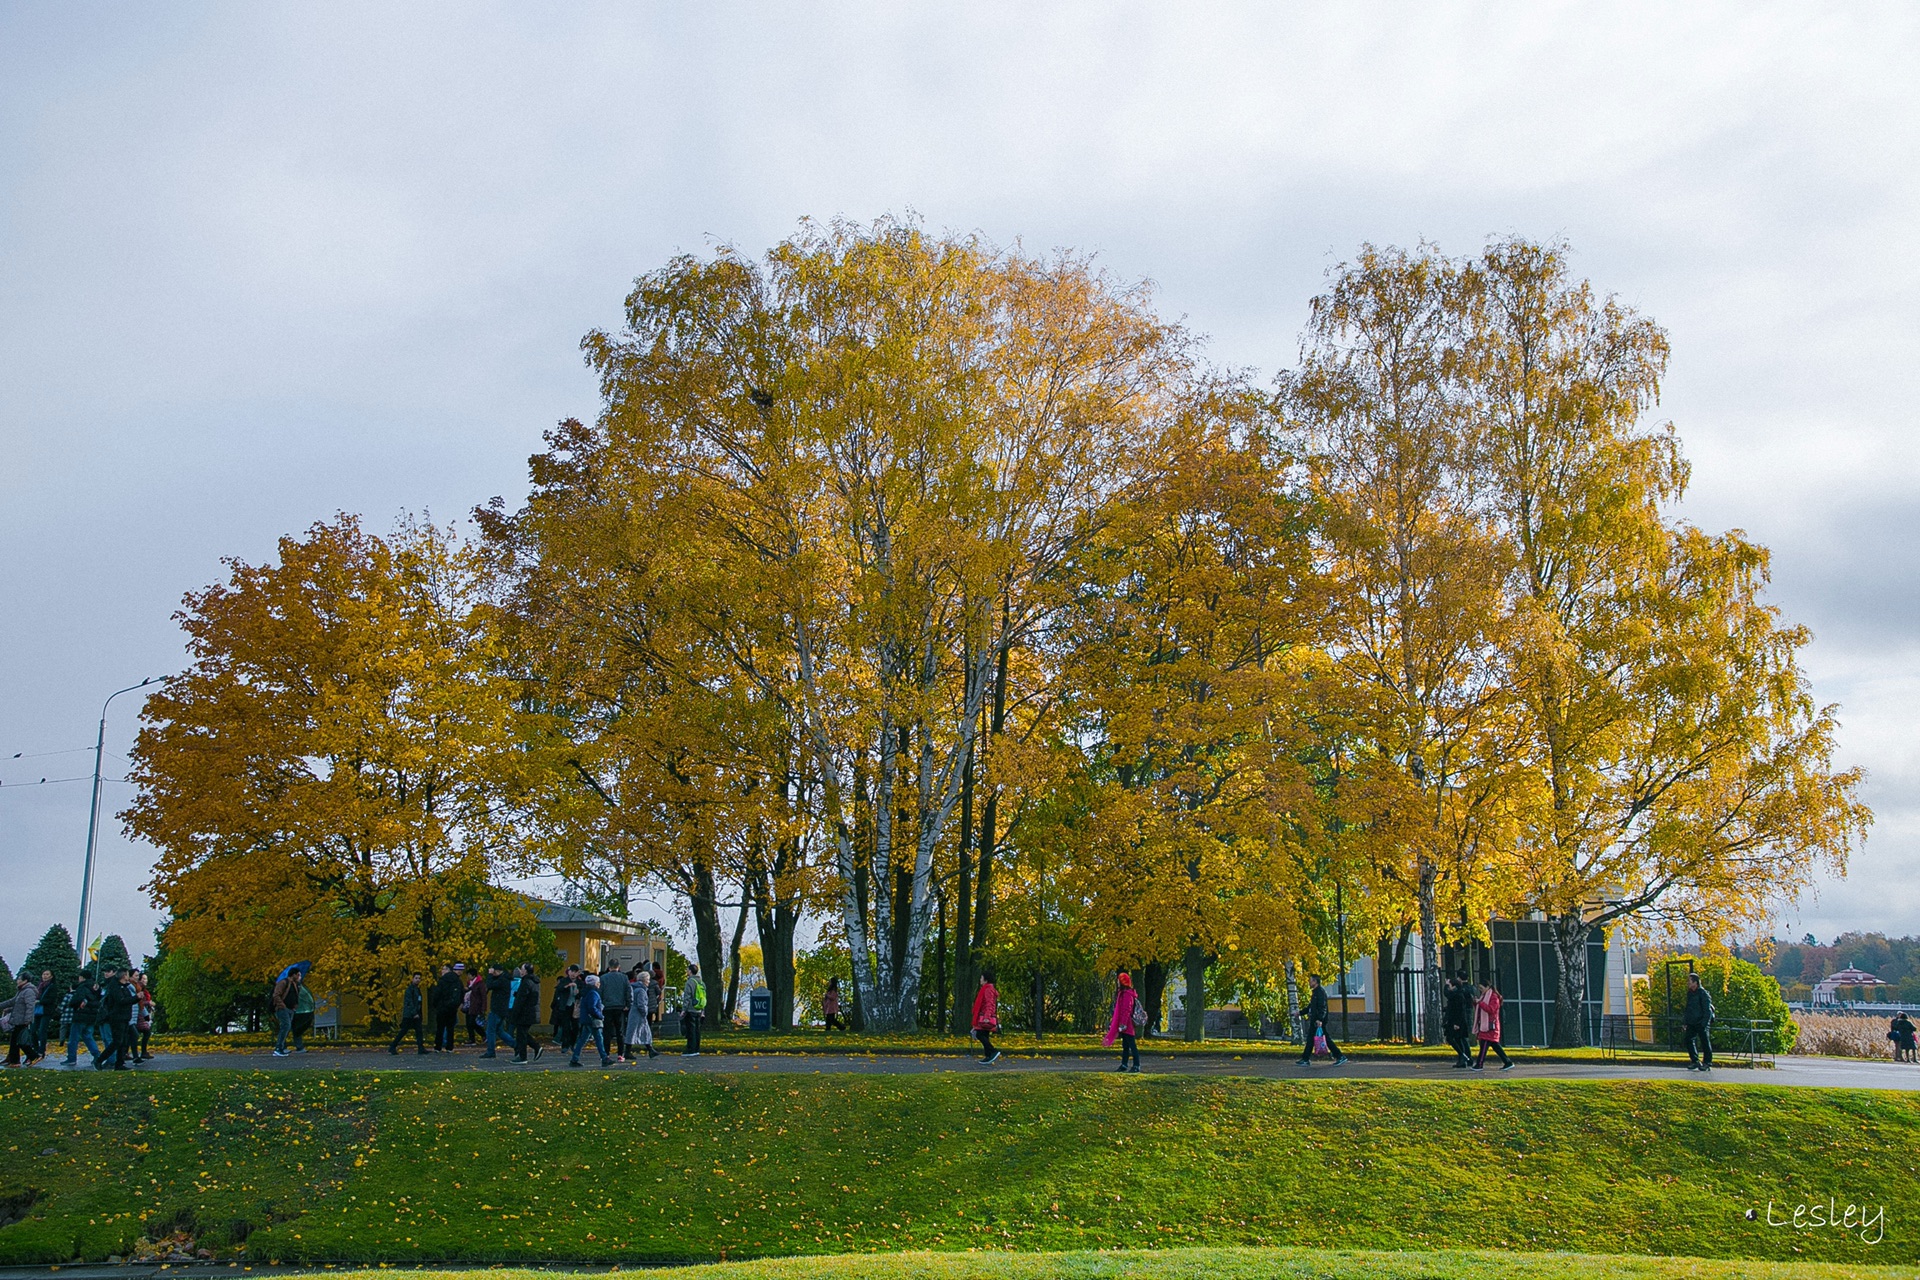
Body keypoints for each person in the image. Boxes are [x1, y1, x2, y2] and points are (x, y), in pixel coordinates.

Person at [1295, 973, 1347, 1066]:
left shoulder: (1320, 992)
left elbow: (1323, 1007)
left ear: (1315, 981)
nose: (1309, 983)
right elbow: (1311, 1007)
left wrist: (1320, 1019)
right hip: (1315, 1020)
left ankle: (1340, 1056)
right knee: (1311, 1039)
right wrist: (1300, 1013)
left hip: (1318, 1021)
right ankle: (1305, 1059)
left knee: (1325, 1039)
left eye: (1310, 981)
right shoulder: (1315, 992)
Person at [96, 965, 135, 1070]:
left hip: (124, 1017)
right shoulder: (115, 987)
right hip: (117, 1017)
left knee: (123, 1042)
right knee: (117, 1041)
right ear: (123, 976)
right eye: (127, 974)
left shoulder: (124, 987)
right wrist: (136, 998)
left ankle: (119, 1063)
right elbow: (121, 1001)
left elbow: (127, 1000)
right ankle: (100, 1059)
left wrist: (136, 998)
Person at [62, 974, 103, 1067]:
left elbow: (75, 1000)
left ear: (82, 978)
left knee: (74, 1038)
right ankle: (96, 1055)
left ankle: (71, 1058)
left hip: (80, 1015)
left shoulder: (82, 987)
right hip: (92, 1016)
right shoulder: (97, 988)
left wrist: (73, 1004)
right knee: (88, 1036)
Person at [570, 973, 611, 1068]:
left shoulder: (585, 992)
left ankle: (574, 1059)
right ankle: (604, 1058)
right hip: (593, 1019)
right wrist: (600, 1015)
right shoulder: (593, 993)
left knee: (582, 1040)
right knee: (599, 1039)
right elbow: (592, 1007)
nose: (599, 984)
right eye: (598, 982)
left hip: (586, 1019)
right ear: (595, 983)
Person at [1104, 972, 1141, 1073]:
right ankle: (1124, 1064)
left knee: (1131, 1045)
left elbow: (1126, 1010)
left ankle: (1136, 1065)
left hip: (1127, 1024)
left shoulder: (1126, 994)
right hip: (1125, 1024)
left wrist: (1123, 1024)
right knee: (1126, 1045)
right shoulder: (1124, 993)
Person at [1472, 977, 1512, 1070]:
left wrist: (1480, 1003)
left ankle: (1479, 1064)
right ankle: (1507, 1062)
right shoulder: (1485, 996)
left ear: (1487, 987)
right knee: (1495, 1045)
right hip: (1487, 1025)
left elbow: (1491, 1009)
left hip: (1490, 1025)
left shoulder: (1493, 997)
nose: (1481, 991)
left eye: (1481, 989)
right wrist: (1476, 1003)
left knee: (1484, 1045)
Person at [510, 963, 543, 1063]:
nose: (520, 971)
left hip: (525, 1012)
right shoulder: (534, 982)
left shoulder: (526, 982)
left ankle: (523, 1056)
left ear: (526, 971)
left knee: (521, 1035)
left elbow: (521, 1000)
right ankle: (536, 1047)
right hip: (531, 1011)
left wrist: (514, 1013)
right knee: (523, 1033)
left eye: (522, 969)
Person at [4, 975, 40, 1067]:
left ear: (25, 980)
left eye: (19, 979)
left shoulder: (28, 991)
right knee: (15, 1041)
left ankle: (33, 1056)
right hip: (18, 1019)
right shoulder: (21, 991)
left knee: (20, 1040)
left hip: (22, 1020)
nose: (17, 980)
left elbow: (30, 1007)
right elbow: (14, 1001)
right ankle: (14, 1061)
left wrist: (27, 1020)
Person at [1682, 972, 1714, 1072]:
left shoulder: (1703, 993)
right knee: (1688, 1040)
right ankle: (1695, 1060)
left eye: (1690, 981)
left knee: (1705, 1042)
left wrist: (1704, 1023)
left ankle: (1707, 1063)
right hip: (1692, 1022)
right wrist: (1685, 1022)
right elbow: (1688, 1008)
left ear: (1695, 982)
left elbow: (1707, 1010)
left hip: (1701, 1022)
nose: (1688, 983)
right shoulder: (1690, 993)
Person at [625, 963, 658, 1060]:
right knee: (641, 1031)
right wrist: (644, 1012)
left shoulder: (633, 988)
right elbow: (641, 1004)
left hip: (633, 1013)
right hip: (638, 1014)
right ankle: (629, 1051)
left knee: (638, 1031)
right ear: (644, 980)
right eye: (647, 980)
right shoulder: (641, 991)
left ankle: (650, 1049)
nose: (648, 982)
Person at [389, 973, 427, 1055]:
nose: (418, 980)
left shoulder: (417, 989)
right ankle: (392, 1046)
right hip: (410, 1015)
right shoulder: (410, 990)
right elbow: (409, 1003)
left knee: (419, 1031)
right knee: (404, 1031)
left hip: (416, 1014)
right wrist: (414, 1013)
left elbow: (418, 1003)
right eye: (416, 978)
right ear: (412, 979)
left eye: (419, 978)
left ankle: (421, 1048)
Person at [601, 961, 631, 1061]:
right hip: (620, 1006)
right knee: (620, 1031)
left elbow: (600, 992)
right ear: (619, 967)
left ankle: (606, 1053)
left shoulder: (603, 978)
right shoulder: (624, 977)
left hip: (607, 1007)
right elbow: (628, 991)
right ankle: (620, 1054)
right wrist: (628, 1004)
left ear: (609, 967)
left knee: (607, 1031)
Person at [431, 964, 464, 1052]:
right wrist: (459, 1003)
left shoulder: (443, 980)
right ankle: (449, 1047)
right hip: (452, 1008)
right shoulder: (458, 981)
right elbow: (461, 994)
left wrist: (435, 1005)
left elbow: (437, 993)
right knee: (450, 1028)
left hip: (442, 1007)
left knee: (440, 1028)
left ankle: (438, 1046)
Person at [1443, 972, 1474, 1067]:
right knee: (1458, 1039)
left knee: (1453, 1038)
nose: (1449, 988)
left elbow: (1459, 1010)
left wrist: (1457, 1023)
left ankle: (1463, 1055)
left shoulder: (1458, 995)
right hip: (1456, 1021)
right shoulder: (1457, 994)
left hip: (1457, 1021)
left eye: (1450, 986)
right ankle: (1462, 1059)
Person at [480, 964, 510, 1058]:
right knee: (500, 1031)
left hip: (497, 1009)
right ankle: (515, 1045)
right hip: (501, 1009)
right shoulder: (505, 979)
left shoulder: (501, 980)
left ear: (497, 971)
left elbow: (489, 985)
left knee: (490, 1031)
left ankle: (491, 1051)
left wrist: (489, 975)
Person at [971, 967, 1000, 1064]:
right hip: (983, 1015)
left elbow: (989, 1003)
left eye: (981, 978)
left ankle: (992, 1051)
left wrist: (987, 1017)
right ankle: (988, 1056)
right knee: (984, 1035)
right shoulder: (986, 989)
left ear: (985, 980)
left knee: (980, 1034)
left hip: (984, 1016)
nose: (980, 980)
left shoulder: (988, 989)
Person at [550, 966, 580, 1055]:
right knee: (565, 1027)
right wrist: (567, 986)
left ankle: (572, 1044)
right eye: (572, 971)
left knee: (575, 1027)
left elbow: (583, 992)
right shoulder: (564, 981)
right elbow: (559, 989)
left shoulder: (580, 982)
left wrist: (578, 991)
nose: (573, 974)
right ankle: (565, 1045)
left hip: (575, 1008)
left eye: (575, 972)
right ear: (568, 972)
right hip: (565, 1007)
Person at [270, 968, 299, 1058]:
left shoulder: (294, 985)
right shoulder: (284, 982)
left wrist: (294, 1006)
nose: (298, 977)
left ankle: (281, 1047)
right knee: (286, 1025)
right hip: (282, 1008)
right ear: (293, 974)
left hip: (290, 1009)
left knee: (287, 1027)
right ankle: (278, 1048)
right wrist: (282, 1005)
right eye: (297, 974)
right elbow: (276, 994)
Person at [681, 962, 706, 1056]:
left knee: (691, 1029)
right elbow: (703, 997)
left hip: (691, 1008)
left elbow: (687, 997)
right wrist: (703, 1010)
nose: (687, 971)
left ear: (690, 971)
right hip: (699, 1008)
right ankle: (696, 1049)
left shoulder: (690, 982)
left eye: (687, 970)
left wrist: (684, 1009)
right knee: (697, 1030)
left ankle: (690, 1049)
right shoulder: (701, 982)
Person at [32, 969, 57, 1061]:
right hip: (37, 1010)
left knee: (42, 1031)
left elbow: (51, 999)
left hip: (46, 1011)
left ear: (51, 976)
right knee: (33, 1030)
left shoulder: (52, 986)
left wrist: (40, 1001)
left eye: (47, 974)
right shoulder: (39, 986)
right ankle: (35, 1048)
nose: (45, 976)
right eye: (43, 974)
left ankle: (41, 1051)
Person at [132, 971, 155, 1062]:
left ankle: (136, 1054)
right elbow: (140, 1001)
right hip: (139, 1015)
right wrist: (148, 1003)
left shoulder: (142, 988)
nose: (146, 981)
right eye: (143, 978)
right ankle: (140, 1053)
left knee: (135, 1034)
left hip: (141, 1013)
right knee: (143, 1032)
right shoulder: (138, 987)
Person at [291, 974, 315, 1051]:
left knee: (298, 1029)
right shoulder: (295, 987)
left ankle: (299, 1046)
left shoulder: (301, 987)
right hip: (299, 1010)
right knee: (295, 1029)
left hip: (304, 1010)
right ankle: (298, 1046)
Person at [462, 965, 485, 1044]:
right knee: (468, 1023)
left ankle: (483, 1035)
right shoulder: (469, 984)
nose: (468, 977)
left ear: (473, 975)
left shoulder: (480, 984)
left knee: (473, 1022)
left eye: (469, 975)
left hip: (476, 1006)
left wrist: (483, 1008)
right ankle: (472, 1039)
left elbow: (483, 996)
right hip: (469, 1006)